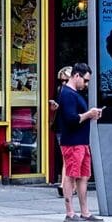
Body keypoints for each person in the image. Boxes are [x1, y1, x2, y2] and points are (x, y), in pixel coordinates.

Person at [59, 62, 104, 222]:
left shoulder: (75, 94)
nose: (86, 84)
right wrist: (89, 114)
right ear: (76, 76)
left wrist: (91, 114)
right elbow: (71, 119)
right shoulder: (67, 94)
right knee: (71, 175)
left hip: (82, 141)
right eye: (85, 80)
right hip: (72, 142)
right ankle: (70, 212)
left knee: (84, 176)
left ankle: (85, 212)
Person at [47, 65, 72, 197]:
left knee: (68, 157)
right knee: (67, 157)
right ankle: (65, 184)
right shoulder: (61, 91)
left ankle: (65, 184)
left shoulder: (73, 92)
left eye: (66, 80)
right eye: (61, 80)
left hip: (68, 127)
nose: (63, 83)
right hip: (62, 127)